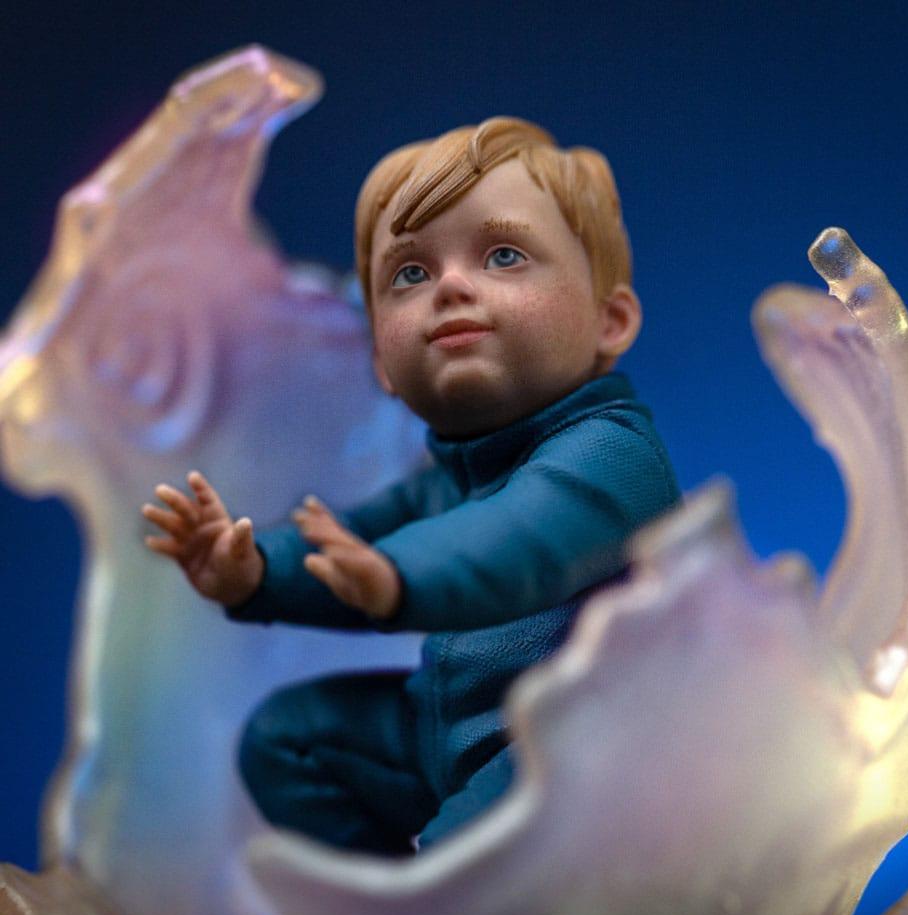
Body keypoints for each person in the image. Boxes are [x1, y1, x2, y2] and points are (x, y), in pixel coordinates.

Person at [141, 117, 680, 855]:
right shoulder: (447, 477)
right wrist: (256, 568)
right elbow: (352, 541)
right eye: (410, 275)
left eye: (504, 255)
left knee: (465, 854)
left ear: (609, 320)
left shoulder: (610, 455)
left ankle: (440, 906)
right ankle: (384, 908)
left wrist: (397, 574)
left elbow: (514, 540)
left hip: (576, 746)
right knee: (288, 742)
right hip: (446, 733)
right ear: (382, 365)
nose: (451, 285)